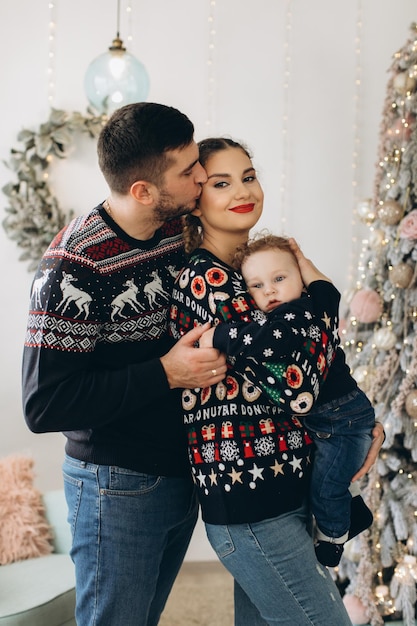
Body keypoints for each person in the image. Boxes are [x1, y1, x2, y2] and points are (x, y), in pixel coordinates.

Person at [21, 102, 228, 626]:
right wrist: (165, 372)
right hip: (116, 486)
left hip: (181, 470)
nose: (201, 176)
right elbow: (44, 404)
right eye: (187, 170)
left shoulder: (177, 228)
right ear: (143, 190)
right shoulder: (74, 264)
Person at [169, 136, 384, 625]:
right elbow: (301, 387)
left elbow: (318, 347)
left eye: (248, 176)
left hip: (287, 483)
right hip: (251, 500)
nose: (243, 191)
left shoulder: (252, 272)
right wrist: (320, 310)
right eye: (221, 183)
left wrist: (353, 418)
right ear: (196, 198)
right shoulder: (208, 279)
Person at [199, 232, 375, 567]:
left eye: (280, 278)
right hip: (331, 418)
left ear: (301, 279)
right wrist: (306, 267)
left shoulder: (298, 314)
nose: (270, 291)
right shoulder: (321, 302)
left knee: (326, 489)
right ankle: (352, 511)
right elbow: (329, 289)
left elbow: (269, 342)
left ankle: (334, 535)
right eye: (257, 285)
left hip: (341, 421)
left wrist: (219, 335)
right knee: (327, 477)